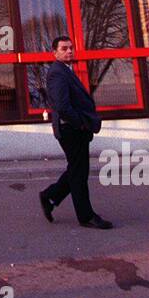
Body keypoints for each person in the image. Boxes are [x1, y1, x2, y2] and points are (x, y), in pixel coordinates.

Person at [39, 35, 113, 229]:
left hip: (74, 128)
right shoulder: (57, 73)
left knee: (76, 169)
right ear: (54, 53)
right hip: (70, 129)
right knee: (79, 173)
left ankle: (49, 196)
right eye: (64, 48)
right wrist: (81, 124)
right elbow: (62, 106)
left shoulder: (65, 70)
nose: (69, 51)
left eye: (71, 48)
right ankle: (86, 216)